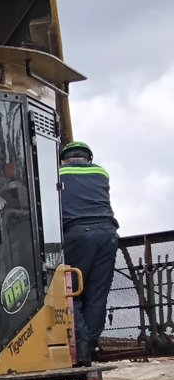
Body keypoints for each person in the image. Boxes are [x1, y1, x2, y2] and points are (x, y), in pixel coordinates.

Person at [58, 141, 120, 365]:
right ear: (88, 158)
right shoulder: (101, 172)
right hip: (107, 233)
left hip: (77, 234)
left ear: (63, 158)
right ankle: (90, 345)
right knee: (96, 295)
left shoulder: (58, 173)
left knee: (71, 291)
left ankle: (80, 346)